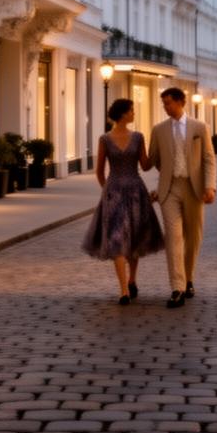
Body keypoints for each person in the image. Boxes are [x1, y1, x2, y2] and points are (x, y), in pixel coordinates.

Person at [82, 98, 164, 305]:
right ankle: (124, 290)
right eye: (131, 111)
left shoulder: (138, 137)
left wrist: (157, 152)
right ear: (123, 114)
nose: (134, 114)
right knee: (118, 240)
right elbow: (100, 170)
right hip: (118, 192)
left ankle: (132, 280)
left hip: (134, 192)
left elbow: (145, 165)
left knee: (133, 238)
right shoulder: (105, 139)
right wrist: (106, 191)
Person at [149, 87, 217, 309]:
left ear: (180, 102)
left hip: (194, 188)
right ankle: (176, 287)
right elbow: (155, 159)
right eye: (163, 103)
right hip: (169, 190)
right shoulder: (158, 130)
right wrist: (166, 177)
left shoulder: (200, 127)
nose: (165, 107)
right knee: (173, 237)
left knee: (193, 237)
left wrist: (210, 186)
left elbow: (209, 159)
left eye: (168, 103)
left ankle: (188, 278)